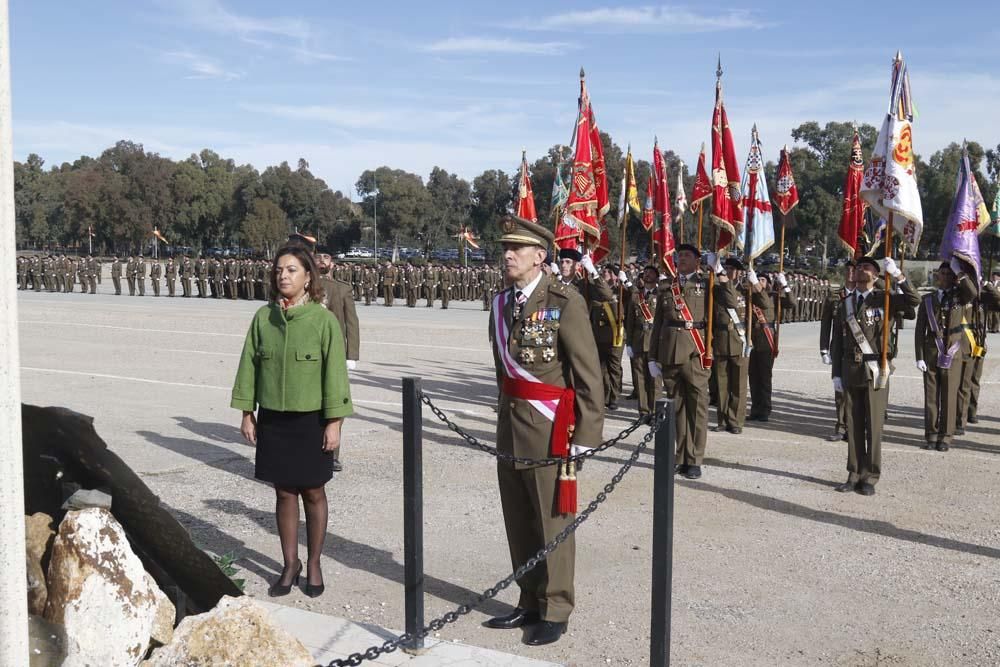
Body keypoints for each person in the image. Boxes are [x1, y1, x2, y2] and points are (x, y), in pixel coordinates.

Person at [485, 216, 604, 647]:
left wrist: (587, 432)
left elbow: (587, 373)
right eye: (505, 248)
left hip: (550, 429)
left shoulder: (564, 301)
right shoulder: (501, 304)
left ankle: (555, 607)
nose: (508, 255)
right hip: (511, 427)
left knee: (552, 521)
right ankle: (529, 597)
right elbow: (503, 372)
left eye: (517, 248)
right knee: (519, 519)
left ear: (540, 256)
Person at [231, 244, 354, 598]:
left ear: (307, 277)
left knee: (313, 491)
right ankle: (290, 564)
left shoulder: (323, 320)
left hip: (311, 420)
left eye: (291, 270)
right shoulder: (263, 318)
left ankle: (313, 562)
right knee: (283, 491)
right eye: (279, 270)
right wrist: (246, 413)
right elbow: (248, 366)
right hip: (274, 420)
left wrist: (335, 424)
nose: (283, 276)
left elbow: (335, 376)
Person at [830, 256, 918, 495]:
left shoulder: (885, 299)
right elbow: (837, 339)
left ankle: (870, 476)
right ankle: (854, 472)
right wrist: (835, 373)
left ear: (876, 275)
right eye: (858, 267)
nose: (860, 270)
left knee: (874, 427)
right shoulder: (846, 303)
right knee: (853, 424)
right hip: (850, 369)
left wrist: (898, 275)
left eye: (866, 267)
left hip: (876, 371)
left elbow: (914, 300)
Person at [649, 244, 736, 479]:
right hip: (670, 354)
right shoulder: (667, 285)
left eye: (688, 256)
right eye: (680, 256)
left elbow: (731, 301)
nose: (682, 259)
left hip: (696, 355)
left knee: (697, 409)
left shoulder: (707, 283)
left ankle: (695, 459)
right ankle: (681, 456)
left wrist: (718, 272)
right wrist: (652, 356)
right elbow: (658, 324)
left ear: (698, 261)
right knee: (677, 409)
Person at [914, 261, 977, 451]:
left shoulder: (960, 297)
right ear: (937, 276)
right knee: (931, 397)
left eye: (950, 274)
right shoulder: (928, 299)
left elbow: (973, 292)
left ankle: (946, 437)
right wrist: (919, 356)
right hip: (932, 351)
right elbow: (919, 330)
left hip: (953, 352)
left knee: (949, 396)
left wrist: (961, 272)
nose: (946, 276)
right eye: (943, 273)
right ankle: (931, 435)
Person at [746, 270, 796, 422]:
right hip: (750, 337)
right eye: (758, 279)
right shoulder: (749, 295)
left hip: (766, 338)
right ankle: (755, 409)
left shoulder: (774, 296)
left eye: (763, 279)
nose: (760, 282)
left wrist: (785, 285)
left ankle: (765, 409)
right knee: (753, 377)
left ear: (767, 283)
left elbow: (792, 303)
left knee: (765, 376)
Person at [711, 257, 750, 434]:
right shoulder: (716, 290)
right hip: (720, 339)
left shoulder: (746, 290)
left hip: (739, 340)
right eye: (725, 268)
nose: (728, 271)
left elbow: (733, 302)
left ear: (739, 272)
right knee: (722, 383)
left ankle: (735, 421)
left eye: (732, 269)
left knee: (739, 385)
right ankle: (722, 419)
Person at [819, 262, 855, 441]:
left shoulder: (864, 296)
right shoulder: (834, 297)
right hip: (838, 348)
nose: (850, 273)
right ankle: (841, 427)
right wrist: (824, 349)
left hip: (858, 349)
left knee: (856, 390)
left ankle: (854, 428)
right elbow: (826, 324)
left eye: (854, 270)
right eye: (847, 270)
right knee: (840, 389)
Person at [624, 265, 662, 419]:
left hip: (655, 343)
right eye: (645, 273)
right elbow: (630, 322)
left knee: (655, 381)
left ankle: (655, 412)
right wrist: (629, 343)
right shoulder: (635, 297)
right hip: (639, 341)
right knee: (640, 379)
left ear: (657, 277)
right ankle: (643, 412)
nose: (647, 275)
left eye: (651, 273)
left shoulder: (661, 295)